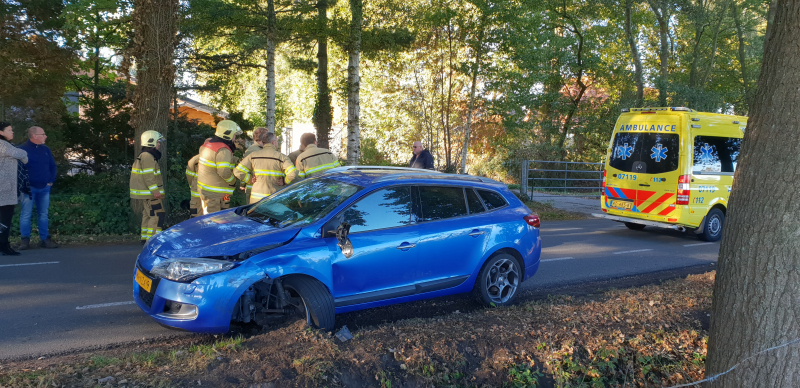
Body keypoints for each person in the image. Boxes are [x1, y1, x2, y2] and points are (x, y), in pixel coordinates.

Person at [17, 126, 58, 249]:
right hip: (28, 188)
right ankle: (25, 240)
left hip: (45, 188)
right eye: (43, 134)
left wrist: (50, 181)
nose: (45, 136)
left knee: (43, 214)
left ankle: (45, 239)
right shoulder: (21, 150)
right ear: (34, 136)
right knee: (26, 214)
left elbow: (53, 166)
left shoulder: (46, 149)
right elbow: (18, 170)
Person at [234, 132, 298, 204]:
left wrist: (250, 179)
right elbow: (293, 173)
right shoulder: (282, 157)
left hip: (256, 200)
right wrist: (285, 181)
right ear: (273, 142)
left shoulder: (253, 156)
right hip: (274, 199)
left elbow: (237, 171)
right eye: (277, 141)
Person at [197, 120, 242, 215]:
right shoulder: (223, 150)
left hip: (205, 190)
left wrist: (234, 159)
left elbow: (214, 160)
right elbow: (223, 171)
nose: (235, 138)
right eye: (234, 135)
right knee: (214, 221)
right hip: (216, 194)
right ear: (228, 134)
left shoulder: (207, 145)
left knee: (207, 217)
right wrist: (233, 181)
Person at [130, 131, 165, 244]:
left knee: (148, 214)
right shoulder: (148, 156)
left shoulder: (145, 155)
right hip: (150, 193)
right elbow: (149, 176)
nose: (159, 144)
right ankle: (153, 240)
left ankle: (145, 237)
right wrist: (155, 191)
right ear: (151, 142)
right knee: (157, 214)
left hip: (147, 193)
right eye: (158, 141)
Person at [0, 123, 28, 256]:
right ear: (1, 132)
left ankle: (4, 244)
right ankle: (3, 245)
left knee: (4, 217)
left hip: (5, 186)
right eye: (9, 130)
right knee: (5, 217)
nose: (12, 132)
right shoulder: (3, 144)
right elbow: (19, 153)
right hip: (4, 187)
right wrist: (24, 153)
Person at [242, 127, 267, 203]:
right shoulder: (253, 150)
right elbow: (243, 169)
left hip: (260, 187)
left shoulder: (260, 149)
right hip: (253, 188)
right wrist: (248, 181)